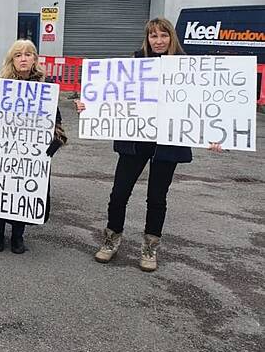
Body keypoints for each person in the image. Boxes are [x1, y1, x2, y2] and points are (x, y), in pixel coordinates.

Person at [75, 18, 222, 272]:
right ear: (147, 39)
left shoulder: (188, 67)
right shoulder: (133, 65)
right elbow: (112, 95)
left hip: (168, 143)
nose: (159, 41)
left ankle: (150, 247)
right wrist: (89, 106)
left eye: (163, 35)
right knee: (119, 193)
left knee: (156, 197)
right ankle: (111, 240)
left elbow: (201, 106)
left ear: (171, 37)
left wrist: (211, 135)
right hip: (135, 139)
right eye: (153, 36)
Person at [0, 39, 66, 254]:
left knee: (23, 190)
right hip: (1, 148)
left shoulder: (45, 87)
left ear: (34, 59)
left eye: (28, 54)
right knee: (1, 188)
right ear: (12, 60)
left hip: (31, 153)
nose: (23, 58)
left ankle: (18, 235)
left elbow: (56, 119)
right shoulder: (0, 83)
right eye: (18, 55)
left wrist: (54, 142)